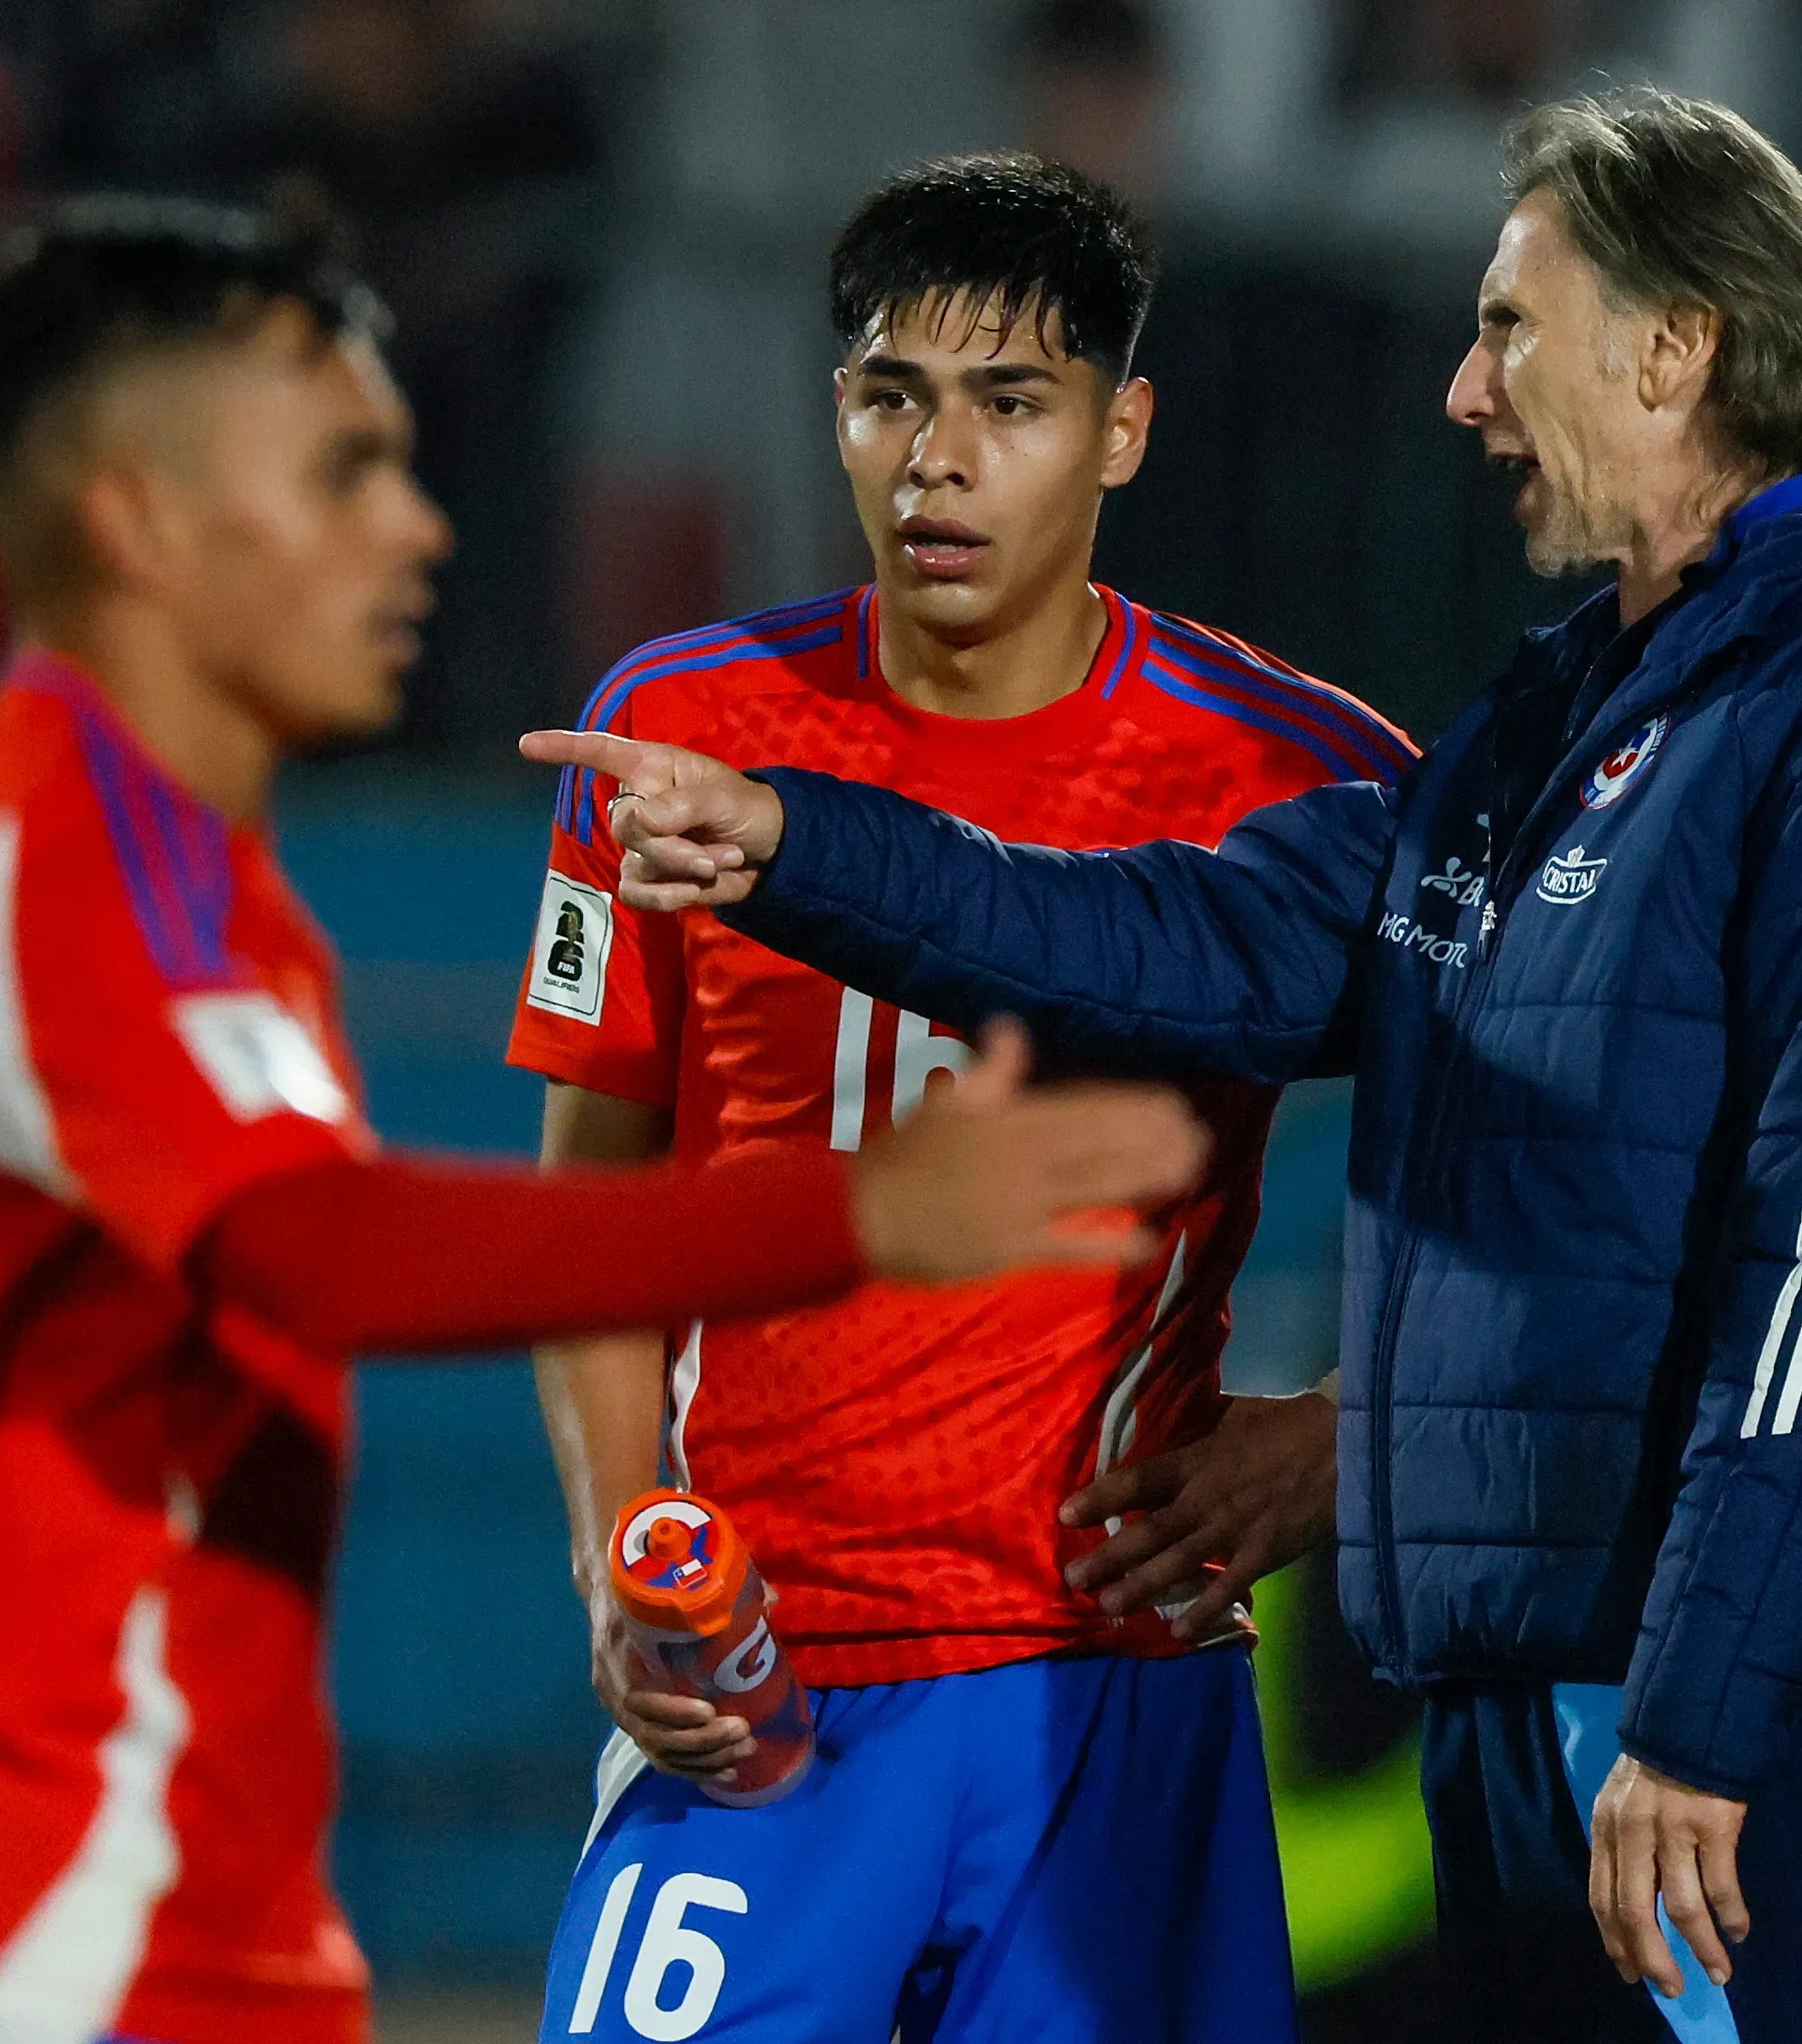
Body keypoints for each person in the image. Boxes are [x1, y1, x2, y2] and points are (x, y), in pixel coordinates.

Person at [530, 87, 1802, 2044]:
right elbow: (1177, 944)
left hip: (1673, 1713)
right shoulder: (1549, 728)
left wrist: (1703, 1713)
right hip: (1510, 1693)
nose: (1460, 391)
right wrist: (794, 841)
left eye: (1506, 328)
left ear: (1672, 345)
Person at [0, 196, 1206, 2044]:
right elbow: (324, 1245)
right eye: (344, 470)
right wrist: (852, 1215)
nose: (416, 525)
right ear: (140, 515)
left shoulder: (192, 889)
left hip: (175, 1914)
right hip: (30, 1929)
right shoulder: (57, 866)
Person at [516, 153, 1413, 2044]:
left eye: (1009, 402)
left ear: (1121, 429)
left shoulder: (1303, 772)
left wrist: (1347, 1436)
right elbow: (591, 1220)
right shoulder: (665, 737)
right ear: (832, 415)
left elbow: (1514, 1170)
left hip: (1110, 1691)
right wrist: (622, 1557)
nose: (936, 458)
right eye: (887, 396)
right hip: (768, 1684)